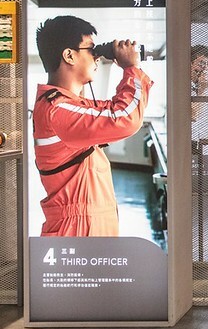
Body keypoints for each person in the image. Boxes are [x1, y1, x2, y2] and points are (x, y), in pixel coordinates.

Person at [33, 15, 152, 237]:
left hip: (85, 226)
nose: (96, 57)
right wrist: (131, 68)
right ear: (69, 55)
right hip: (77, 230)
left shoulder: (68, 105)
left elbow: (116, 109)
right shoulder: (58, 110)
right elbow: (124, 118)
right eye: (91, 49)